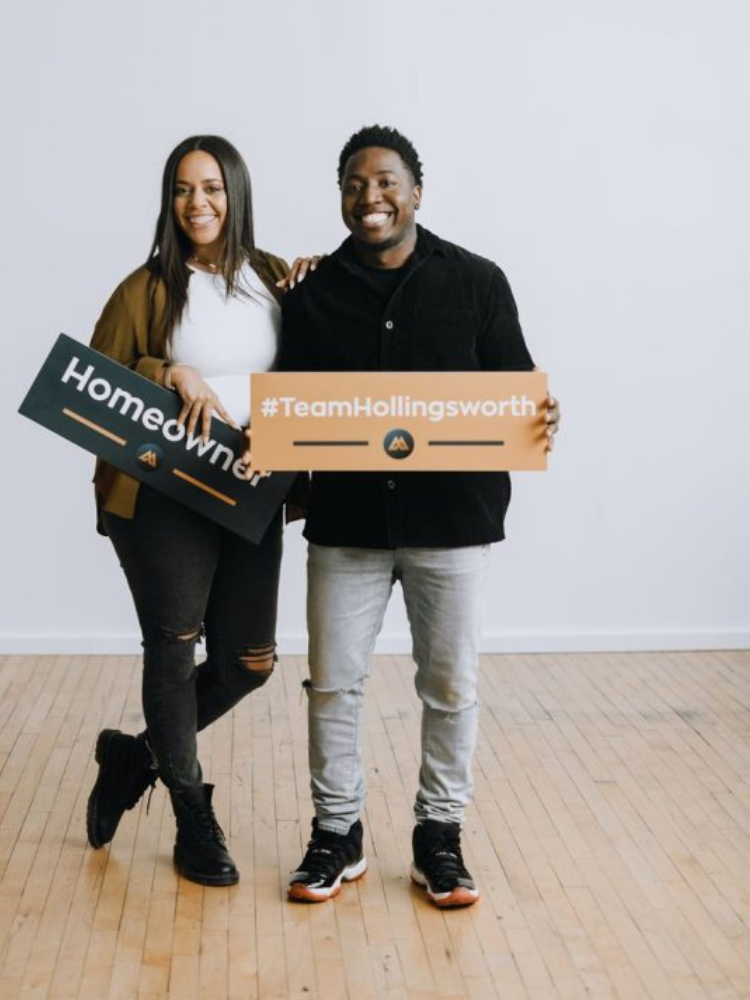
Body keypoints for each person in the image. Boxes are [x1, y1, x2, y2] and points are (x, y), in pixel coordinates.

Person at [277, 125, 560, 908]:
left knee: (450, 686)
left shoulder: (477, 281)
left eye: (386, 181)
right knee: (333, 685)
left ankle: (440, 835)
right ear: (341, 196)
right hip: (348, 525)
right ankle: (338, 833)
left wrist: (539, 414)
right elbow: (289, 403)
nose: (371, 196)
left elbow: (515, 390)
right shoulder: (310, 294)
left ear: (417, 191)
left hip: (453, 522)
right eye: (355, 183)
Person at [85, 134, 314, 887]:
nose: (198, 203)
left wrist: (325, 280)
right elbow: (94, 382)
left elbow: (317, 364)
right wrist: (168, 368)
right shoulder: (146, 288)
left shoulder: (275, 277)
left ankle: (134, 756)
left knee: (251, 661)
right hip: (163, 498)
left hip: (251, 488)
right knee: (175, 648)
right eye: (183, 189)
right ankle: (192, 816)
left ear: (236, 192)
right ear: (169, 200)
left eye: (211, 188)